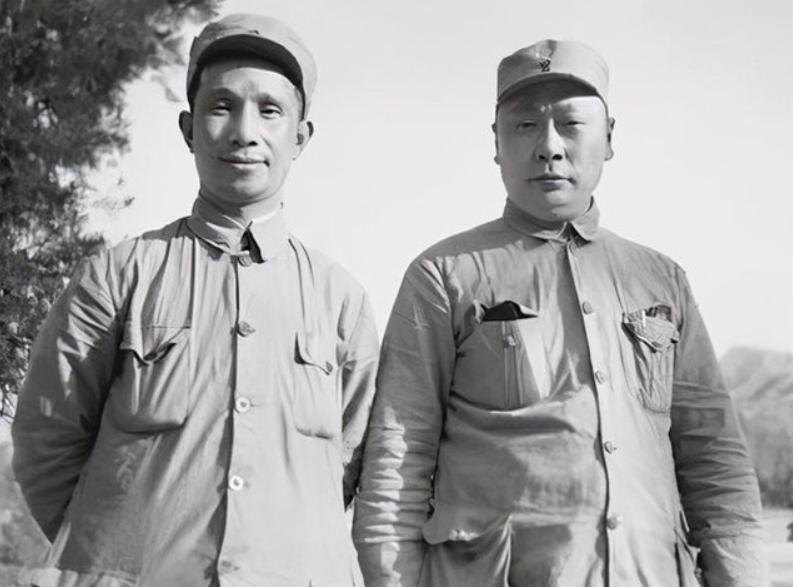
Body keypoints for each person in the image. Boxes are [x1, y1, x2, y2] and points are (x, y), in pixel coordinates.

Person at [352, 39, 764, 586]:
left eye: (571, 124)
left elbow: (715, 460)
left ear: (609, 137)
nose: (549, 147)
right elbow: (397, 461)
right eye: (525, 125)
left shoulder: (662, 280)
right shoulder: (443, 275)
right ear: (495, 143)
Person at [12, 13, 378, 587]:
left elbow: (354, 469)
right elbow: (46, 445)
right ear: (187, 129)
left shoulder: (342, 302)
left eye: (270, 111)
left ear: (301, 138)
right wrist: (115, 556)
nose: (244, 132)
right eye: (222, 106)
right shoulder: (116, 277)